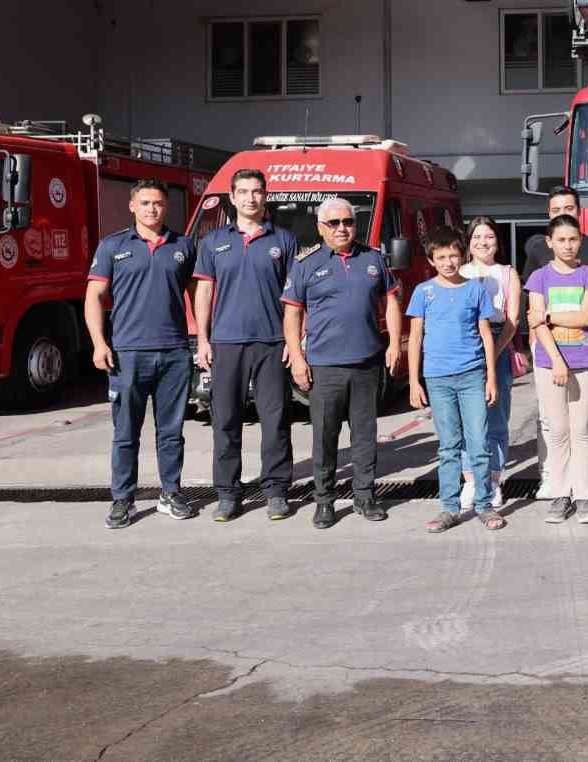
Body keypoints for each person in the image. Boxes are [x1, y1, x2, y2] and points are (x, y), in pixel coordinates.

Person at [281, 196, 403, 530]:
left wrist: (393, 343)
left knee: (365, 435)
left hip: (367, 364)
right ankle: (324, 501)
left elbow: (391, 301)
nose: (342, 228)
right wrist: (296, 357)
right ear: (321, 227)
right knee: (324, 437)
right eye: (333, 223)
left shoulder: (374, 260)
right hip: (324, 367)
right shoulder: (306, 265)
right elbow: (292, 313)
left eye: (348, 222)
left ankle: (365, 496)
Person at [87, 179, 199, 530]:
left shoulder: (183, 245)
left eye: (159, 203)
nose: (152, 209)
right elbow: (93, 296)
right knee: (125, 432)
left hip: (174, 353)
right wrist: (99, 343)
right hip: (127, 354)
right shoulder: (112, 246)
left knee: (171, 432)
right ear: (132, 205)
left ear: (166, 207)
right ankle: (123, 500)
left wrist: (202, 339)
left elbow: (198, 296)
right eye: (146, 202)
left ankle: (171, 493)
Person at [192, 169, 298, 524]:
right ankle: (227, 494)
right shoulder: (212, 242)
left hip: (272, 344)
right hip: (226, 345)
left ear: (265, 195)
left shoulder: (283, 240)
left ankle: (277, 492)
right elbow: (203, 291)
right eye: (243, 192)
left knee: (276, 420)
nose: (251, 198)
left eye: (257, 191)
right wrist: (203, 339)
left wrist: (295, 342)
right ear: (232, 198)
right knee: (225, 421)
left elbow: (296, 298)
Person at [408, 226, 503, 534]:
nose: (448, 262)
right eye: (441, 257)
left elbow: (486, 335)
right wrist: (413, 381)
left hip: (472, 375)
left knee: (478, 442)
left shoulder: (475, 289)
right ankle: (449, 508)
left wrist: (490, 377)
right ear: (431, 260)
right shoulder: (424, 291)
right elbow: (416, 337)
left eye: (453, 255)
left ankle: (484, 505)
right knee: (449, 446)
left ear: (462, 255)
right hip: (437, 378)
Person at [524, 186, 588, 499]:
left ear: (579, 211)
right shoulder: (538, 260)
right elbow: (532, 312)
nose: (567, 244)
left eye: (568, 207)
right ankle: (555, 484)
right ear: (550, 240)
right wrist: (541, 334)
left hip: (587, 349)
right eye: (555, 208)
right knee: (554, 426)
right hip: (550, 353)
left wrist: (548, 316)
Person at [460, 217, 519, 511]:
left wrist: (493, 353)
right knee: (467, 420)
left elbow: (512, 319)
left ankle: (494, 481)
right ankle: (471, 481)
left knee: (496, 418)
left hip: (499, 342)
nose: (483, 242)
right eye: (477, 237)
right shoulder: (458, 272)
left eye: (489, 236)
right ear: (468, 242)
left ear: (498, 241)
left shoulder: (507, 273)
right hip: (464, 344)